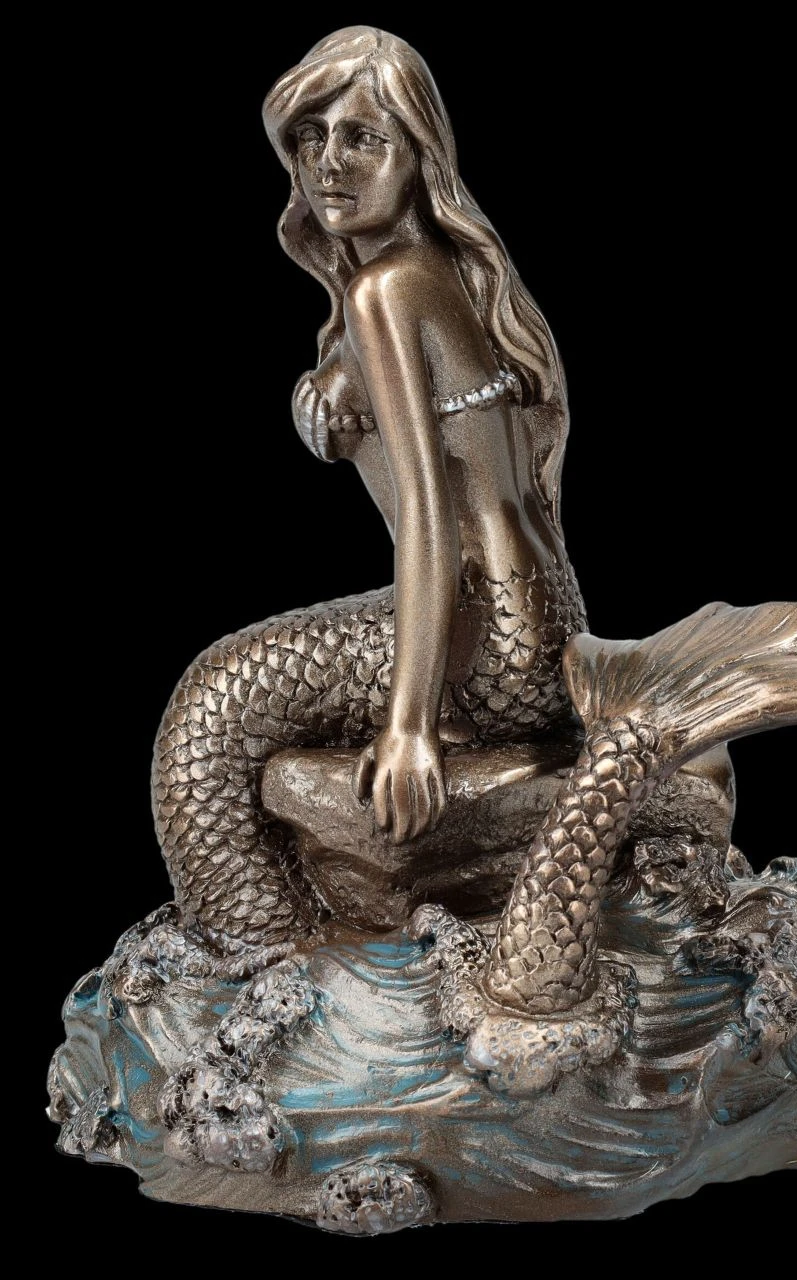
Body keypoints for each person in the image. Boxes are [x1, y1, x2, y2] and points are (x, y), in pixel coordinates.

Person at [151, 27, 586, 952]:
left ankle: (263, 959)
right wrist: (335, 402)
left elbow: (429, 519)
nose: (328, 165)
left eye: (363, 139)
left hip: (481, 643)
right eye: (310, 139)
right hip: (539, 624)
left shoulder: (385, 293)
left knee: (212, 712)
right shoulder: (449, 274)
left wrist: (410, 727)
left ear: (419, 156)